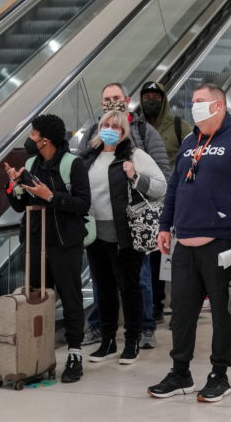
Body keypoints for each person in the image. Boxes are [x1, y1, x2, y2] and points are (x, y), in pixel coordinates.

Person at [147, 83, 231, 402]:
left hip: (223, 241)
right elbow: (174, 188)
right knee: (182, 311)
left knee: (221, 314)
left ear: (218, 105)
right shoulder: (189, 141)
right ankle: (180, 372)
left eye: (199, 101)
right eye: (192, 101)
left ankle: (219, 374)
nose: (193, 106)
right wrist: (164, 226)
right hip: (184, 241)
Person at [80, 83, 170, 348]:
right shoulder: (91, 139)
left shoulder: (143, 133)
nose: (112, 104)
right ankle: (102, 331)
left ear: (127, 100)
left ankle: (143, 328)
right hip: (98, 229)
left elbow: (162, 175)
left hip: (131, 225)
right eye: (107, 99)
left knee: (137, 280)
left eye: (117, 98)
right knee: (102, 284)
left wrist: (135, 177)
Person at [4, 114, 91, 383]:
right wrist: (14, 186)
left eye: (32, 135)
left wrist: (51, 197)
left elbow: (83, 204)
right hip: (35, 242)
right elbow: (20, 206)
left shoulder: (72, 164)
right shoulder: (31, 163)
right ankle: (36, 354)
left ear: (45, 140)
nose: (29, 139)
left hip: (65, 243)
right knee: (36, 298)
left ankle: (74, 354)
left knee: (71, 297)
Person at [139, 81, 193, 344]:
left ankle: (180, 310)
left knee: (175, 259)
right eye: (146, 96)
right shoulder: (136, 126)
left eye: (155, 96)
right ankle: (156, 307)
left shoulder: (179, 126)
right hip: (146, 201)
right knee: (152, 256)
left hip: (177, 199)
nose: (151, 100)